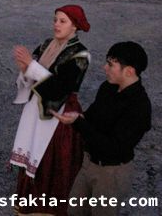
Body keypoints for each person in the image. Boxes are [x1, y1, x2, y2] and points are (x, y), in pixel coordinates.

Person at [53, 41, 151, 216]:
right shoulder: (108, 88)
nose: (104, 68)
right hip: (88, 163)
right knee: (74, 211)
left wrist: (79, 123)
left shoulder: (139, 107)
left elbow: (115, 148)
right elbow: (92, 116)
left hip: (110, 174)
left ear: (129, 70)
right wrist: (77, 117)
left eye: (111, 64)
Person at [10, 5, 91, 215]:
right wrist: (24, 68)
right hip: (34, 109)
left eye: (62, 21)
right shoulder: (47, 44)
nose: (56, 24)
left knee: (50, 160)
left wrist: (31, 65)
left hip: (58, 114)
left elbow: (60, 88)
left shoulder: (80, 54)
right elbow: (31, 77)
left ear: (74, 26)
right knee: (31, 151)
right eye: (55, 19)